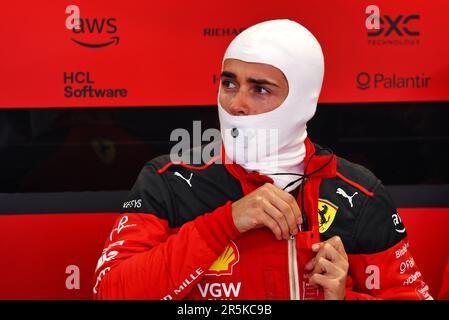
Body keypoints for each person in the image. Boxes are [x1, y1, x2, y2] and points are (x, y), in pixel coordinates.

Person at [93, 19, 432, 300]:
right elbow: (111, 292)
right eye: (229, 83)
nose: (236, 104)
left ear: (304, 101)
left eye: (260, 89)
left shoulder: (358, 192)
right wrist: (224, 223)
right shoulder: (169, 178)